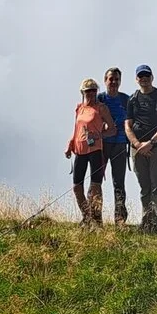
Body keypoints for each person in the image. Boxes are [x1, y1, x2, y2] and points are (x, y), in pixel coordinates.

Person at [126, 64, 157, 230]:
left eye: (147, 75)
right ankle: (146, 221)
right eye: (141, 76)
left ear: (152, 77)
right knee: (144, 186)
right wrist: (138, 144)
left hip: (156, 147)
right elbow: (128, 125)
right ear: (136, 79)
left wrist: (151, 143)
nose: (144, 79)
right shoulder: (132, 99)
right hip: (138, 149)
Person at [66, 78, 113, 224]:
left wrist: (98, 135)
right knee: (76, 186)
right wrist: (70, 143)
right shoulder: (79, 108)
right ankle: (87, 216)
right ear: (83, 92)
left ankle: (97, 219)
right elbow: (77, 127)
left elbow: (112, 129)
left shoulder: (101, 108)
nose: (91, 93)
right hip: (80, 150)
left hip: (95, 150)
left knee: (95, 186)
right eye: (88, 91)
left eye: (94, 90)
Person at [98, 67, 134, 225]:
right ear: (105, 80)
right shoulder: (99, 99)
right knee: (96, 180)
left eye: (116, 79)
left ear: (120, 81)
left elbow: (134, 121)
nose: (113, 82)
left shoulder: (127, 100)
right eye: (111, 79)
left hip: (120, 145)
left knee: (118, 182)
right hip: (102, 145)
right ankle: (94, 216)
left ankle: (120, 220)